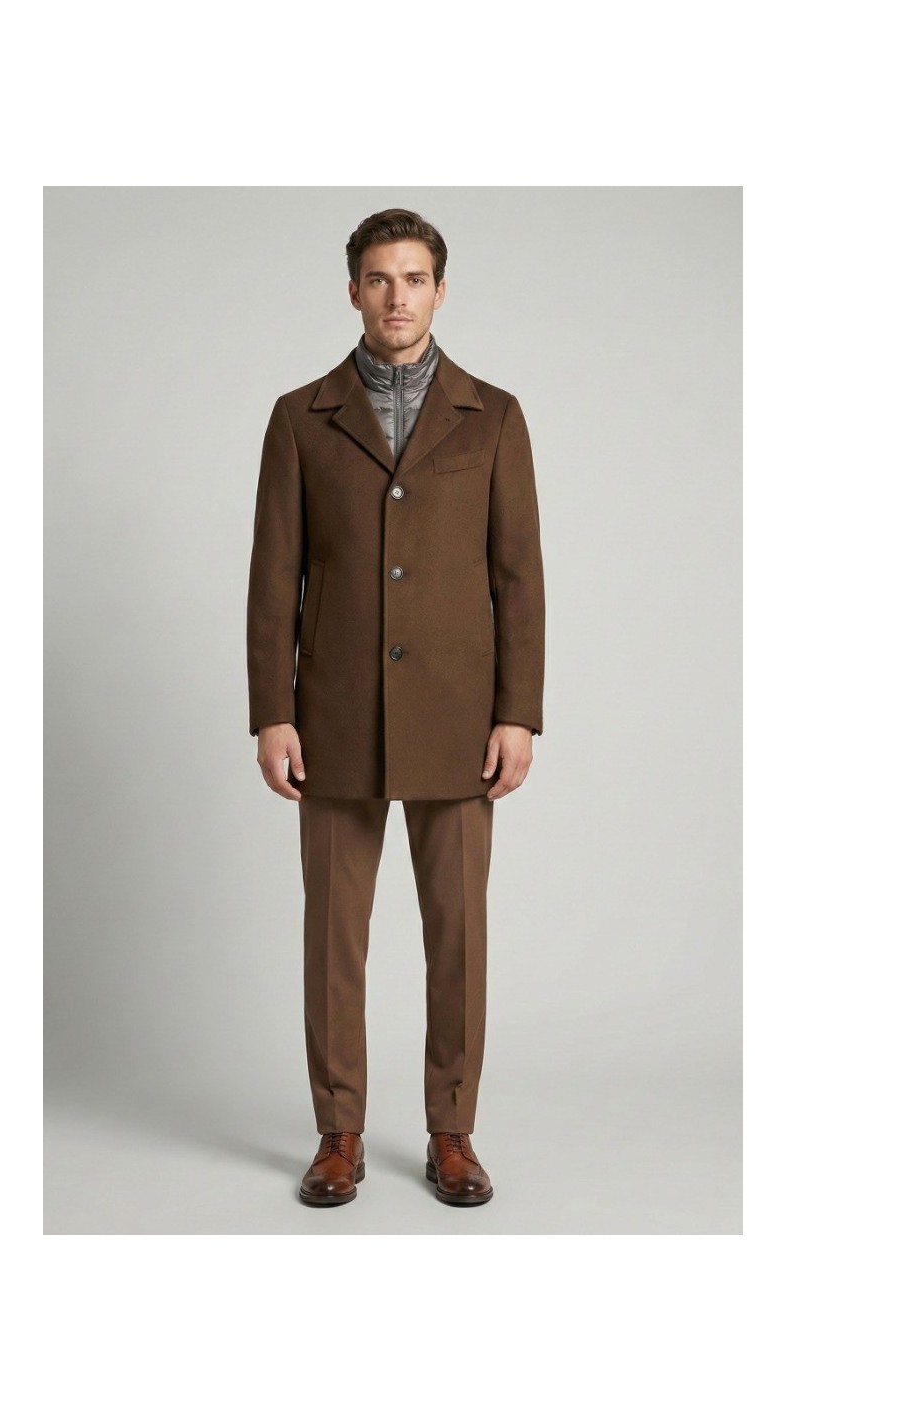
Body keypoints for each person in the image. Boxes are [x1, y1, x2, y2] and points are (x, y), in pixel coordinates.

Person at [246, 208, 546, 1207]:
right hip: (331, 715)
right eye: (378, 279)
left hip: (459, 720)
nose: (396, 297)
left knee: (457, 937)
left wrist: (518, 712)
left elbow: (518, 577)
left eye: (414, 278)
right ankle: (339, 1132)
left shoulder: (492, 417)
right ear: (353, 292)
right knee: (333, 936)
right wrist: (271, 711)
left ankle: (451, 1131)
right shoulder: (300, 418)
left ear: (439, 290)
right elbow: (273, 577)